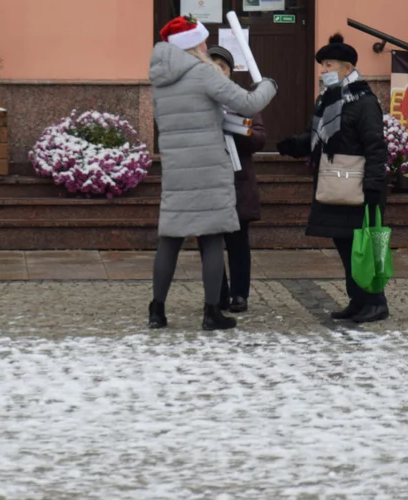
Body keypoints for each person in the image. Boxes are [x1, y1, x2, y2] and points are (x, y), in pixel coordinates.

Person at [148, 16, 277, 331]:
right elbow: (246, 104)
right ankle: (211, 312)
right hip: (208, 167)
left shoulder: (160, 79)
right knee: (211, 239)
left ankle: (157, 310)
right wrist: (268, 86)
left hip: (177, 169)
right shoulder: (204, 72)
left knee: (170, 239)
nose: (206, 46)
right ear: (193, 44)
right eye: (202, 41)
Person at [276, 33, 390, 324]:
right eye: (322, 65)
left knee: (361, 247)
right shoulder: (328, 99)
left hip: (358, 186)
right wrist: (295, 145)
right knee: (345, 247)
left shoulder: (363, 101)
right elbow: (321, 140)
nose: (323, 70)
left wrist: (374, 185)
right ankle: (358, 301)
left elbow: (376, 145)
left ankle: (375, 303)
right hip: (335, 183)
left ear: (348, 68)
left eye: (329, 65)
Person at [207, 45, 265, 314]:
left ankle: (239, 294)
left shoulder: (243, 100)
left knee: (238, 240)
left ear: (230, 72)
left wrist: (238, 127)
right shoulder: (198, 98)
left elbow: (259, 138)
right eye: (213, 63)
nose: (218, 69)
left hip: (237, 180)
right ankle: (216, 294)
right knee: (210, 241)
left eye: (223, 65)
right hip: (207, 179)